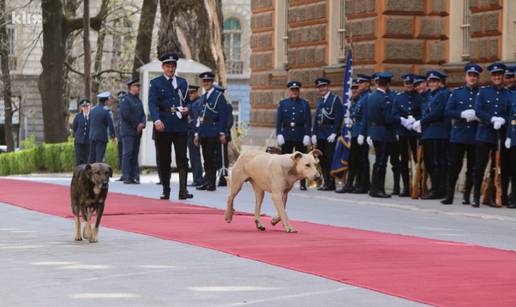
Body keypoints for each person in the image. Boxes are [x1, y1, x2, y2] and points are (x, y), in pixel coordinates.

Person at [148, 52, 193, 200]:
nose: (170, 69)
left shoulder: (182, 82)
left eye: (173, 66)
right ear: (163, 67)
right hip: (164, 125)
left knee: (182, 158)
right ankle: (166, 189)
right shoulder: (155, 83)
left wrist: (188, 109)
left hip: (180, 125)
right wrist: (156, 120)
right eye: (168, 66)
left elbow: (187, 102)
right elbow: (152, 104)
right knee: (164, 159)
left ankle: (183, 191)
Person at [361, 72, 408, 198]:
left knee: (378, 162)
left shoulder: (370, 97)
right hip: (384, 133)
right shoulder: (385, 98)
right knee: (382, 162)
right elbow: (388, 118)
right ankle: (378, 189)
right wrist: (402, 120)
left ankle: (374, 188)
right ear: (387, 84)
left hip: (375, 132)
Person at [440, 64, 482, 205]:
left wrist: (478, 116)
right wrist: (461, 114)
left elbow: (487, 112)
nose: (472, 78)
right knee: (454, 167)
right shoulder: (457, 93)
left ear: (478, 78)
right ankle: (449, 195)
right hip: (459, 135)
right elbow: (447, 111)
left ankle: (467, 196)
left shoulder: (481, 93)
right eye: (470, 75)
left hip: (476, 135)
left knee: (473, 168)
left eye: (475, 76)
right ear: (465, 77)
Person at [472, 62, 511, 208]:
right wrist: (491, 119)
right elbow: (478, 110)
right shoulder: (483, 92)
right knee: (480, 166)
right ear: (491, 76)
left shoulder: (509, 94)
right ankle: (476, 196)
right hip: (485, 133)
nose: (497, 77)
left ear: (503, 76)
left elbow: (511, 113)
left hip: (500, 135)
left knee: (497, 168)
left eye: (499, 75)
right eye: (494, 75)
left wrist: (504, 120)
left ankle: (495, 196)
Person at [412, 71, 449, 200]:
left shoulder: (442, 94)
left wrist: (421, 122)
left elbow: (437, 113)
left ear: (439, 82)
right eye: (431, 82)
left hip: (439, 133)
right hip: (428, 133)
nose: (432, 84)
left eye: (435, 81)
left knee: (437, 162)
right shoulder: (430, 96)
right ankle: (435, 187)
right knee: (430, 163)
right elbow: (426, 112)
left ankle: (439, 189)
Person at [194, 71, 228, 191]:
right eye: (204, 81)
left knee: (212, 158)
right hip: (203, 131)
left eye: (208, 81)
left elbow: (223, 116)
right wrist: (197, 133)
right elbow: (199, 117)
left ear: (212, 82)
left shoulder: (218, 96)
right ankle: (207, 180)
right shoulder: (203, 97)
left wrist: (222, 132)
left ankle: (211, 183)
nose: (206, 83)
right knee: (206, 158)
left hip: (214, 130)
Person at [276, 81, 311, 191]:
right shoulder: (283, 103)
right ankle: (284, 181)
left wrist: (307, 135)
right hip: (287, 135)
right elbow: (278, 121)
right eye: (292, 90)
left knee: (302, 161)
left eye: (296, 90)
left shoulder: (304, 104)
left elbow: (308, 121)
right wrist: (279, 134)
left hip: (300, 134)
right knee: (286, 160)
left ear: (299, 91)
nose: (294, 92)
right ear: (289, 91)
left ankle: (302, 182)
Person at [337, 75, 370, 193]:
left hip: (361, 133)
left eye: (360, 84)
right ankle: (352, 184)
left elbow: (366, 117)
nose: (357, 88)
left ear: (367, 84)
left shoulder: (366, 97)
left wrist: (362, 133)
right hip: (355, 132)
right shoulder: (358, 99)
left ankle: (363, 184)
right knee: (353, 160)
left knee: (362, 160)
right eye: (355, 87)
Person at [311, 77, 344, 191]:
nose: (322, 89)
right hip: (320, 134)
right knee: (322, 159)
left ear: (328, 87)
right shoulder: (320, 101)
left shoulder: (335, 99)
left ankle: (331, 183)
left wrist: (335, 132)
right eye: (320, 87)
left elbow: (339, 117)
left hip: (330, 135)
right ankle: (326, 182)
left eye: (324, 86)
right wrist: (314, 133)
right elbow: (317, 119)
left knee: (330, 158)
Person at [393, 73, 422, 196]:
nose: (409, 86)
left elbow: (424, 111)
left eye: (411, 83)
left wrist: (416, 120)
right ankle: (406, 186)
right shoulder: (399, 97)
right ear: (404, 84)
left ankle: (419, 185)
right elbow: (394, 113)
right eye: (407, 84)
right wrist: (403, 121)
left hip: (416, 132)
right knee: (404, 160)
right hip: (403, 131)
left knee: (418, 159)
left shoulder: (420, 97)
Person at [119, 79, 146, 184]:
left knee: (135, 153)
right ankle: (126, 176)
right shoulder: (125, 100)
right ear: (130, 87)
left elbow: (143, 114)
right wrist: (137, 124)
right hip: (128, 131)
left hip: (138, 131)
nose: (138, 88)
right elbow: (126, 115)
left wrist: (143, 123)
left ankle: (135, 176)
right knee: (128, 153)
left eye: (139, 86)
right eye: (136, 86)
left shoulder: (138, 100)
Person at [88, 91, 115, 163]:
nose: (109, 102)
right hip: (101, 136)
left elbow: (89, 122)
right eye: (109, 100)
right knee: (100, 157)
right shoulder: (107, 111)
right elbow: (111, 124)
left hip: (92, 136)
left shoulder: (92, 110)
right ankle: (98, 172)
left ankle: (90, 173)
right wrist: (113, 136)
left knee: (92, 156)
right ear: (106, 101)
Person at [214, 85, 233, 187]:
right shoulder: (213, 105)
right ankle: (215, 174)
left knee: (222, 157)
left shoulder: (227, 106)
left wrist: (224, 132)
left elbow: (229, 122)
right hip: (213, 134)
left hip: (223, 135)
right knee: (215, 156)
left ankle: (223, 177)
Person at [186, 84, 204, 187]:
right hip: (191, 132)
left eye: (192, 92)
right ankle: (197, 178)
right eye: (189, 93)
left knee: (195, 157)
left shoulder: (197, 103)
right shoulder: (191, 103)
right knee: (194, 156)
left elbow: (197, 119)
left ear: (197, 92)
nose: (190, 94)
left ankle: (198, 179)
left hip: (194, 133)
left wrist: (197, 134)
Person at [505, 87, 516, 208]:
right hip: (514, 138)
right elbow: (511, 117)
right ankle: (514, 197)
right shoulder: (513, 94)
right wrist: (508, 136)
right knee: (514, 171)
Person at [72, 99, 91, 165]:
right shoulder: (78, 116)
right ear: (81, 107)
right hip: (79, 141)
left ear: (90, 106)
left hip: (88, 141)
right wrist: (75, 136)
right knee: (79, 159)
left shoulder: (92, 116)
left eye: (87, 106)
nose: (85, 108)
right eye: (84, 106)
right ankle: (78, 173)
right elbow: (74, 127)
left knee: (87, 159)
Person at [114, 90, 126, 181]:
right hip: (119, 135)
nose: (121, 100)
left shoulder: (126, 107)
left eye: (122, 98)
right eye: (120, 98)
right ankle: (123, 173)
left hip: (125, 134)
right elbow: (116, 123)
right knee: (120, 155)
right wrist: (116, 135)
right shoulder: (117, 108)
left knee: (125, 154)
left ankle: (126, 174)